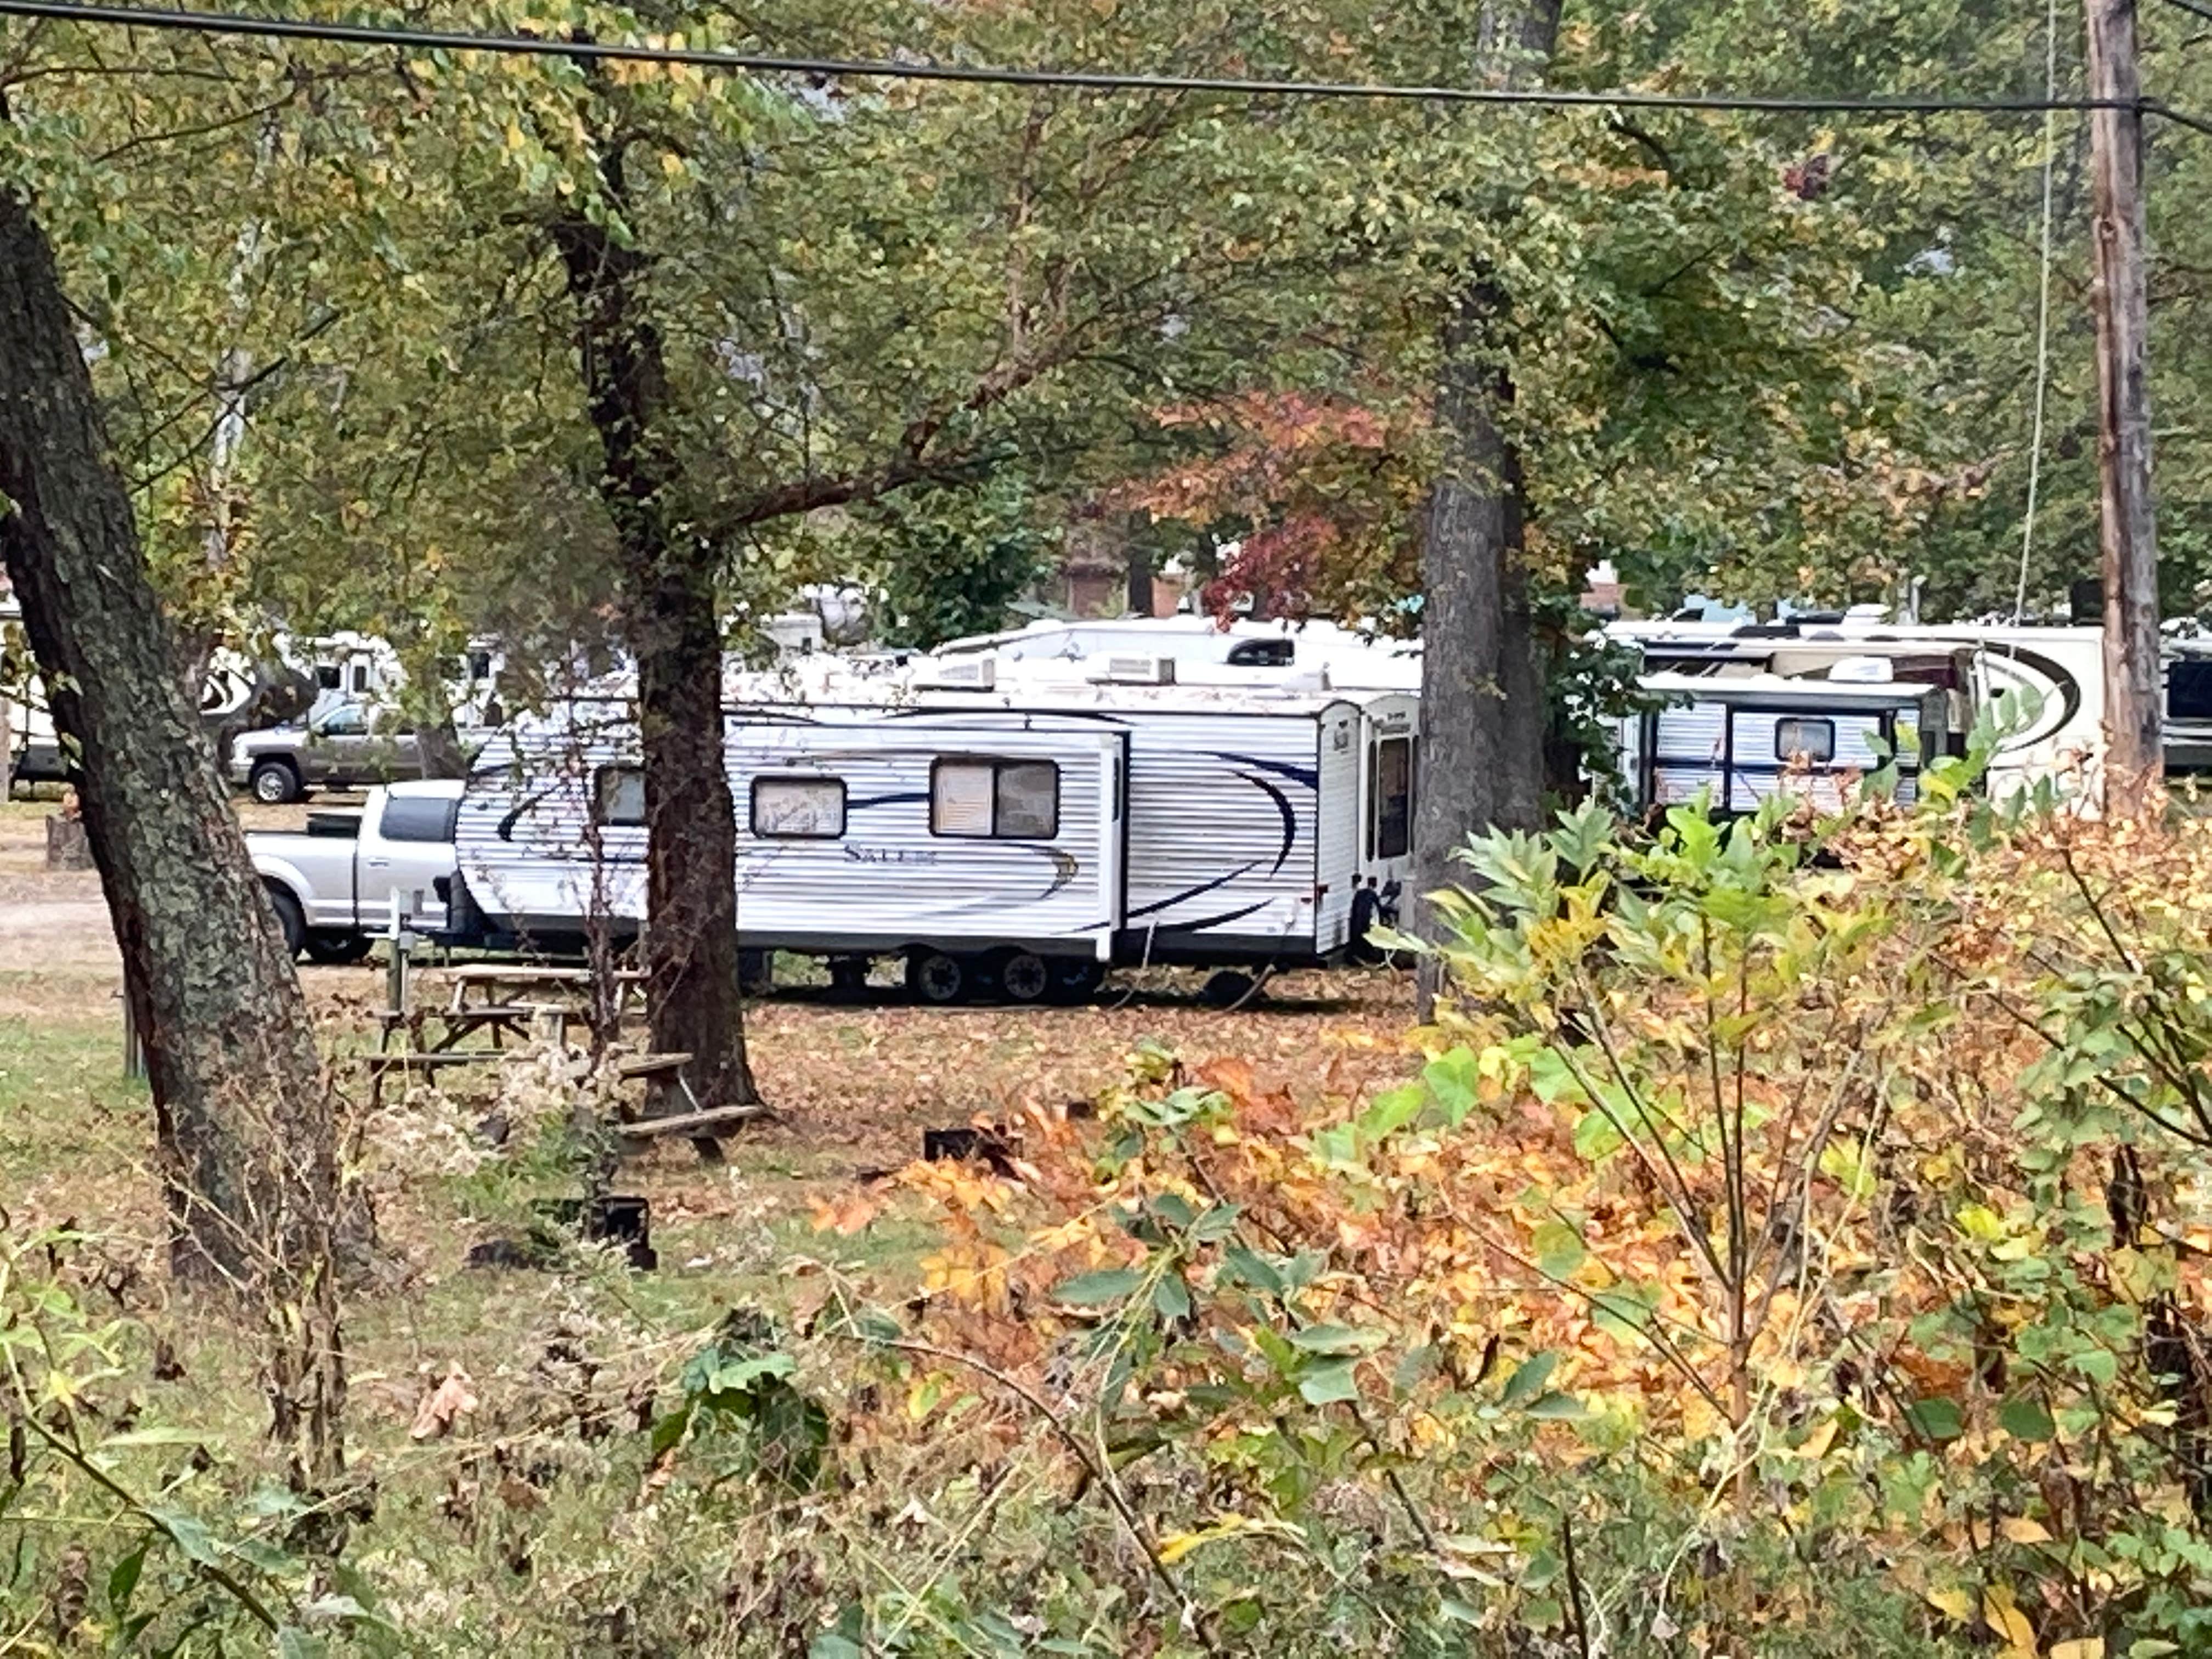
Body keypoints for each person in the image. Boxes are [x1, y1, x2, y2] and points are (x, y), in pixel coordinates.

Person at [1348, 875, 1381, 966]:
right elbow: (1379, 908)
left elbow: (1354, 909)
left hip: (1357, 921)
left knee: (1358, 938)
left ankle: (1358, 955)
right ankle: (1367, 955)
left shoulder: (1359, 894)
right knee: (1366, 937)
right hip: (1364, 920)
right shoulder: (1372, 895)